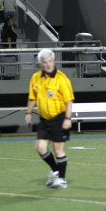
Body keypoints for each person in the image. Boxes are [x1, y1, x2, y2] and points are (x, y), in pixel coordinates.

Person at [25, 48, 74, 189]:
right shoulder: (35, 77)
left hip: (59, 118)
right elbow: (32, 97)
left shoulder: (61, 78)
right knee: (40, 148)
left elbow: (69, 100)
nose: (48, 64)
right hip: (44, 119)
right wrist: (28, 113)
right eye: (45, 62)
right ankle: (55, 171)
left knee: (58, 149)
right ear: (40, 63)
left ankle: (62, 179)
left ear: (54, 61)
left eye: (51, 61)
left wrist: (68, 118)